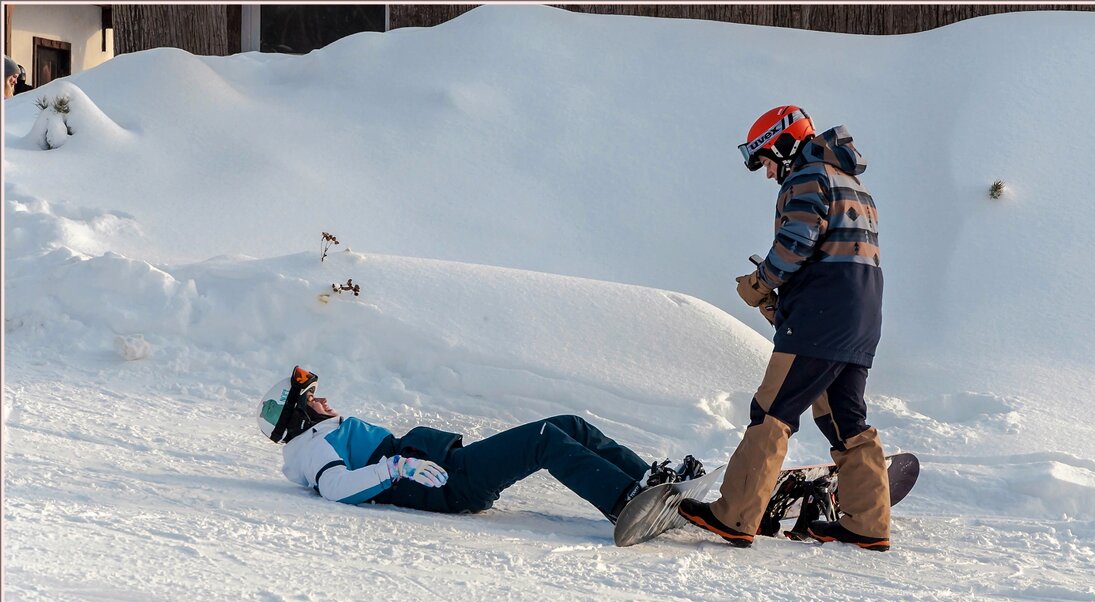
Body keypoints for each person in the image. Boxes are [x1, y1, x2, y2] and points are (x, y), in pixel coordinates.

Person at [678, 105, 892, 551]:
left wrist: (759, 285)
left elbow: (796, 244)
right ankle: (868, 523)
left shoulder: (807, 177)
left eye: (767, 159)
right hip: (862, 316)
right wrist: (786, 305)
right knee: (845, 419)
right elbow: (836, 256)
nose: (768, 172)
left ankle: (735, 515)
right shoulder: (855, 184)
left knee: (772, 410)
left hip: (823, 315)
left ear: (784, 142)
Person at [258, 366, 705, 523]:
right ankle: (623, 501)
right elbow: (336, 488)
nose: (324, 399)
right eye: (313, 399)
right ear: (298, 415)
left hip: (450, 466)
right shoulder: (311, 448)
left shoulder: (320, 434)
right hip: (447, 485)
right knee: (545, 440)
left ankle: (644, 480)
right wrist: (395, 468)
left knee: (567, 423)